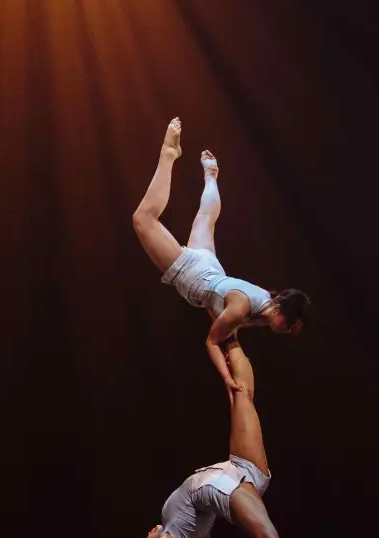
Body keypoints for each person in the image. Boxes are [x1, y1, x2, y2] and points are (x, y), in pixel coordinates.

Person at [131, 118, 312, 391]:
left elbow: (230, 320)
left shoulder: (265, 302)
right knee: (143, 218)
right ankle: (169, 154)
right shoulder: (243, 309)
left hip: (211, 269)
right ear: (280, 309)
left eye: (290, 328)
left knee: (206, 217)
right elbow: (212, 341)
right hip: (192, 272)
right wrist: (228, 380)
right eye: (288, 323)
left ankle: (211, 176)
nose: (286, 330)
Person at [119, 338, 281, 538]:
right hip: (228, 487)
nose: (147, 535)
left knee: (242, 394)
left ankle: (230, 325)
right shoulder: (173, 536)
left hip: (239, 468)